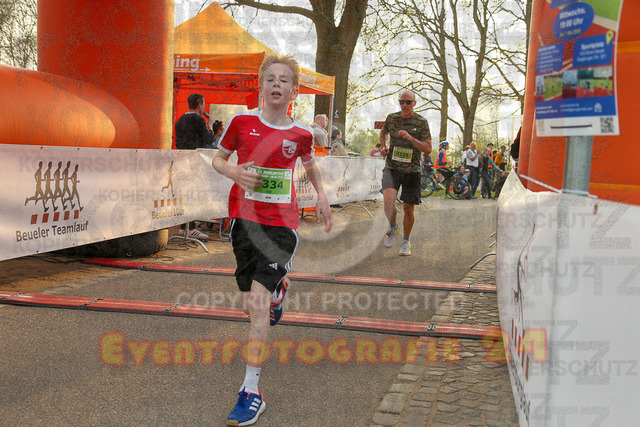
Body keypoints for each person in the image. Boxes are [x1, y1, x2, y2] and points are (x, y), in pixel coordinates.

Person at [211, 53, 333, 427]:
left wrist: (322, 197)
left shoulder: (301, 134)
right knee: (248, 304)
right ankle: (278, 290)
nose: (276, 84)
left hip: (281, 226)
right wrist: (233, 172)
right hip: (244, 223)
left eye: (284, 80)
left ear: (294, 91)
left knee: (258, 304)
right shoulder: (241, 122)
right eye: (270, 79)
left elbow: (310, 164)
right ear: (261, 86)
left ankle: (251, 392)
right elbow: (218, 159)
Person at [379, 90, 432, 256]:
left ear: (414, 103)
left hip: (412, 170)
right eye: (402, 102)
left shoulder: (421, 122)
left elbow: (428, 149)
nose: (405, 105)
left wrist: (410, 138)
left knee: (408, 208)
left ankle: (406, 241)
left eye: (408, 102)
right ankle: (393, 227)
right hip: (392, 167)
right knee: (388, 202)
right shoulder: (392, 118)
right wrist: (383, 146)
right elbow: (383, 131)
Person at [175, 93, 214, 239]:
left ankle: (183, 227)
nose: (204, 107)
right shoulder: (198, 119)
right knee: (192, 194)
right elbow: (208, 140)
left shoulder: (180, 119)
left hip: (181, 160)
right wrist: (210, 126)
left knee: (185, 194)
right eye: (203, 104)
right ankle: (190, 228)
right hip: (194, 162)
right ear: (199, 105)